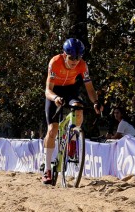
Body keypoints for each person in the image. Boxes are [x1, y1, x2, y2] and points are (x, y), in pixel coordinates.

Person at [42, 37, 102, 184]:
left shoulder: (82, 65)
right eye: (72, 57)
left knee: (79, 109)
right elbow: (47, 90)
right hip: (55, 91)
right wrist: (55, 97)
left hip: (70, 90)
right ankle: (47, 169)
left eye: (78, 57)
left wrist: (95, 102)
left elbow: (90, 88)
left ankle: (73, 139)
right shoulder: (55, 62)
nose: (75, 61)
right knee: (52, 129)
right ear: (64, 54)